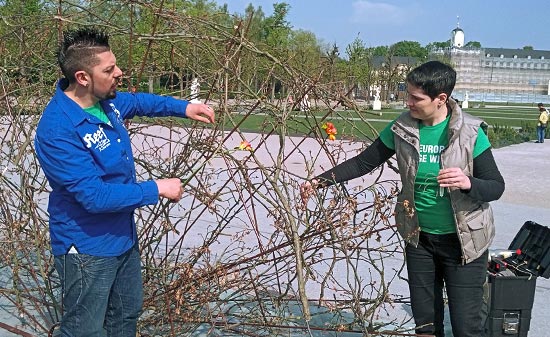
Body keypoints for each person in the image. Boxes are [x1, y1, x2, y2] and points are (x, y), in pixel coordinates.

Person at [301, 61, 505, 337]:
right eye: (407, 94)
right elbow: (364, 163)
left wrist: (468, 182)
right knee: (425, 326)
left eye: (415, 98)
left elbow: (495, 186)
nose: (407, 102)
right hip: (419, 239)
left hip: (464, 243)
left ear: (440, 99)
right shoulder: (402, 127)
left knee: (466, 328)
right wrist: (319, 181)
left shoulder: (470, 133)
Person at [34, 27, 214, 337]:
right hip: (87, 248)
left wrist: (184, 107)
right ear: (82, 77)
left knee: (125, 316)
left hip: (122, 239)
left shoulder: (106, 103)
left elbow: (140, 102)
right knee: (83, 330)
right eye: (109, 69)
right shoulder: (58, 128)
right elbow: (94, 196)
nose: (119, 72)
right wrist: (156, 188)